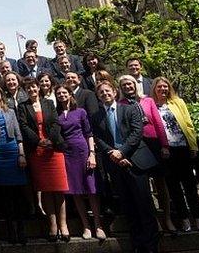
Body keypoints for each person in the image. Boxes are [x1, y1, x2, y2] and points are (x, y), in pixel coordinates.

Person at [92, 81, 159, 253]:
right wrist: (113, 154)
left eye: (107, 91)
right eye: (101, 93)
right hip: (115, 165)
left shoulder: (129, 109)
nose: (105, 94)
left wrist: (121, 152)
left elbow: (136, 133)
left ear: (114, 92)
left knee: (144, 205)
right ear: (98, 96)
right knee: (128, 207)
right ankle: (137, 244)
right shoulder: (96, 116)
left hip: (135, 162)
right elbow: (99, 139)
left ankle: (151, 246)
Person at [151, 77, 199, 233]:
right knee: (174, 188)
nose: (163, 89)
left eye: (165, 86)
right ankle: (184, 219)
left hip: (182, 148)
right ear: (154, 88)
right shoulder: (152, 106)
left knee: (190, 186)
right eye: (159, 87)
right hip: (166, 151)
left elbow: (188, 124)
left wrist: (193, 145)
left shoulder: (178, 102)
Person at [17, 77, 69, 242]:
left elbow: (55, 123)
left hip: (54, 150)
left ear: (38, 88)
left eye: (34, 87)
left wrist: (50, 141)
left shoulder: (49, 104)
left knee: (59, 189)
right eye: (29, 88)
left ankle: (63, 224)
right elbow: (23, 126)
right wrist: (39, 141)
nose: (32, 90)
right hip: (37, 151)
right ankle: (52, 225)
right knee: (46, 189)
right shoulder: (23, 106)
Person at [118, 75, 172, 232]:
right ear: (120, 88)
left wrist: (164, 145)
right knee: (144, 188)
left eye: (130, 84)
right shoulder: (120, 105)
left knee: (161, 183)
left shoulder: (147, 100)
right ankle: (155, 220)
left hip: (153, 142)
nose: (128, 86)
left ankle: (167, 218)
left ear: (136, 85)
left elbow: (158, 124)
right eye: (124, 85)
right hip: (136, 147)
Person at [54, 84, 105, 240]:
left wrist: (92, 154)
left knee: (91, 189)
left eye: (64, 92)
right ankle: (86, 226)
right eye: (59, 93)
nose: (61, 95)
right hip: (67, 154)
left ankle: (98, 225)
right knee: (75, 191)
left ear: (70, 94)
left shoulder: (80, 111)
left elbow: (88, 133)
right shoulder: (57, 116)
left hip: (83, 151)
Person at [0, 84, 28, 245]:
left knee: (17, 194)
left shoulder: (10, 111)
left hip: (12, 152)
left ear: (1, 95)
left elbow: (18, 134)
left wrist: (21, 154)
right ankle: (10, 230)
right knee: (4, 195)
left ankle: (21, 229)